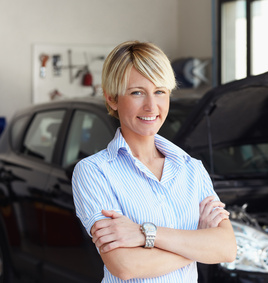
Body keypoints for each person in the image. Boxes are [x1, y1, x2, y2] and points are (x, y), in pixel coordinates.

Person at [72, 40, 237, 282]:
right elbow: (126, 265)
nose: (151, 106)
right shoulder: (94, 172)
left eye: (160, 91)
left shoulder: (191, 169)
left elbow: (227, 249)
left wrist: (145, 234)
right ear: (112, 99)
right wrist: (197, 247)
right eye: (137, 92)